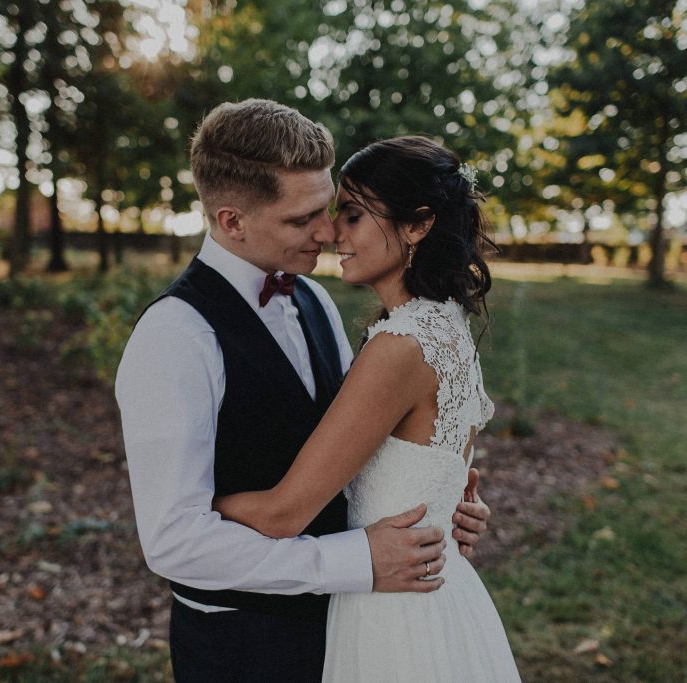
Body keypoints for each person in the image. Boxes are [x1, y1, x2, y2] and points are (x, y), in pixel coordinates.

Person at [116, 100, 492, 682]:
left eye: (331, 210)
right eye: (302, 220)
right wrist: (353, 561)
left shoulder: (314, 302)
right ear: (231, 220)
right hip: (245, 645)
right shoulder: (175, 337)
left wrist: (438, 506)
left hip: (355, 623)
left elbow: (359, 446)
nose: (326, 232)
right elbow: (173, 544)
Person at [213, 135, 521, 681]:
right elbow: (440, 467)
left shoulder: (398, 347)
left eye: (353, 216)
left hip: (393, 613)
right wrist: (456, 506)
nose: (332, 233)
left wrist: (194, 506)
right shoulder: (446, 325)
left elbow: (285, 513)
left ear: (417, 225)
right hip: (441, 597)